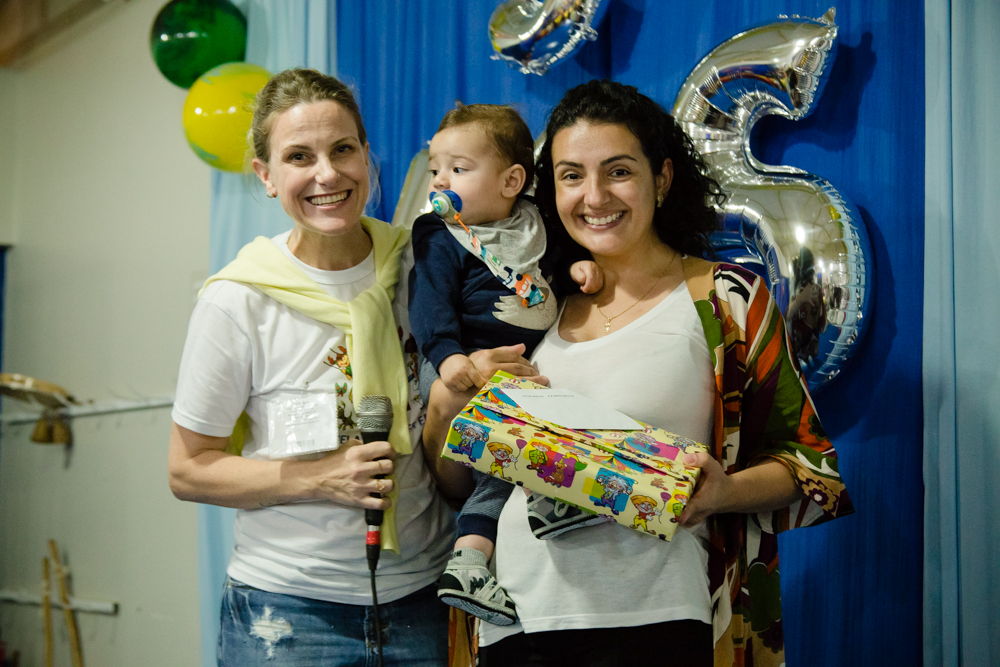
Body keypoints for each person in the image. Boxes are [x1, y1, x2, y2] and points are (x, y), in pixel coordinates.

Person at [438, 79, 856, 666]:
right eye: (571, 175)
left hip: (656, 619)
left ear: (661, 178)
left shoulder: (724, 299)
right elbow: (458, 481)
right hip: (512, 625)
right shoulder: (535, 303)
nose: (594, 196)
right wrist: (449, 396)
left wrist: (725, 492)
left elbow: (809, 465)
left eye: (618, 171)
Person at [167, 68, 466, 665]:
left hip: (426, 600)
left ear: (367, 156)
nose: (327, 174)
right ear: (267, 176)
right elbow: (188, 470)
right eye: (299, 156)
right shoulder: (237, 300)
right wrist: (319, 478)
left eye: (342, 149)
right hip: (287, 613)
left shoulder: (421, 265)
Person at [408, 104, 602, 626]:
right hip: (458, 360)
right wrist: (449, 357)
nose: (440, 180)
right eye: (435, 169)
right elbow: (427, 304)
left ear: (512, 181)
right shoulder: (438, 233)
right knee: (508, 449)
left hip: (515, 372)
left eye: (458, 169)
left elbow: (555, 262)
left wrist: (578, 267)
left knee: (501, 469)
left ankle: (469, 562)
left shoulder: (536, 221)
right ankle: (541, 503)